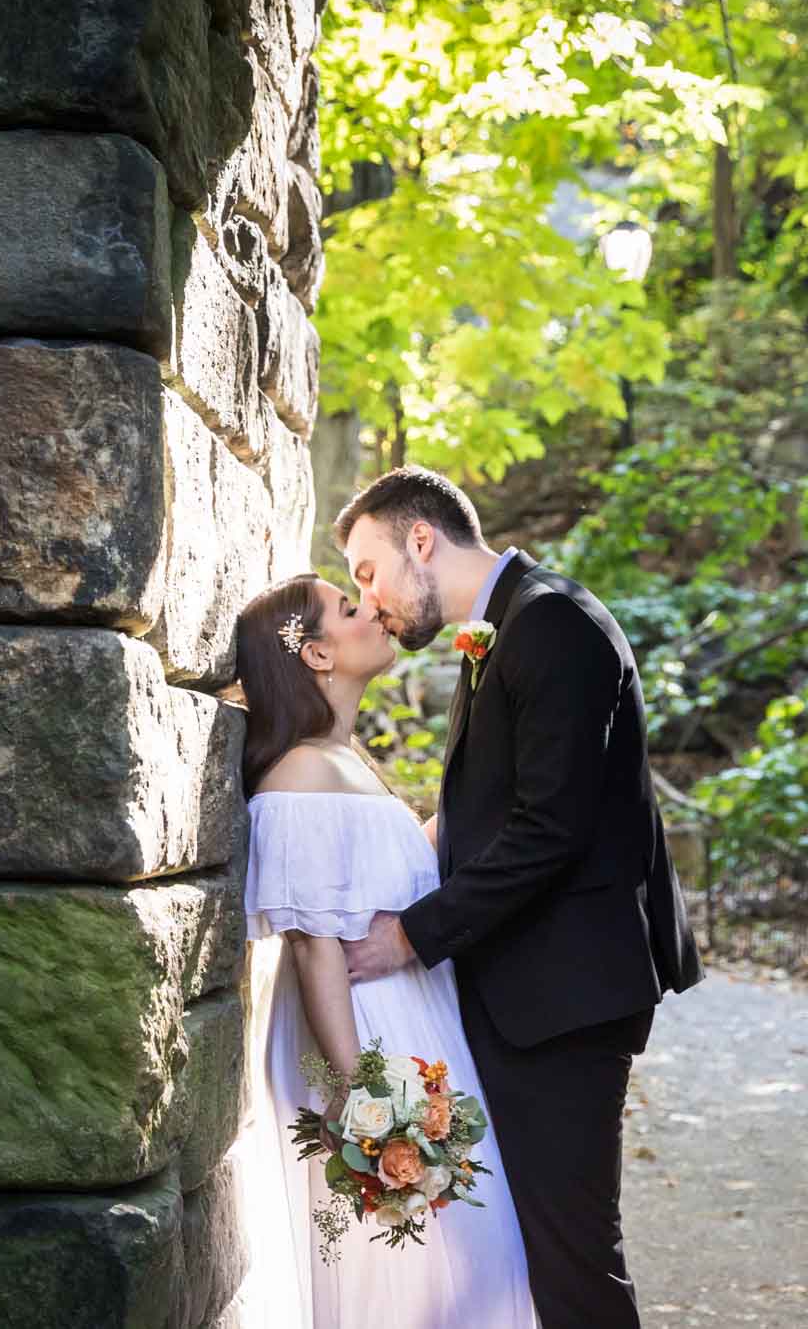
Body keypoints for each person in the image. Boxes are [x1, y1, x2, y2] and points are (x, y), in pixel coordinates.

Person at [334, 467, 703, 1328]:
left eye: (367, 569)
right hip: (530, 993)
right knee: (529, 1252)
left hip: (566, 1001)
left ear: (419, 539)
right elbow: (489, 809)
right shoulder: (505, 627)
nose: (371, 597)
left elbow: (551, 828)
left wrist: (411, 937)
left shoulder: (553, 624)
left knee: (572, 1260)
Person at [227, 572, 538, 1329]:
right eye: (349, 605)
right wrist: (356, 1099)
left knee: (475, 1261)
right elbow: (315, 946)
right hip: (369, 1042)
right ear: (317, 656)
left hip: (416, 1026)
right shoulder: (299, 773)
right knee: (420, 1273)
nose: (374, 611)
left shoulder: (346, 761)